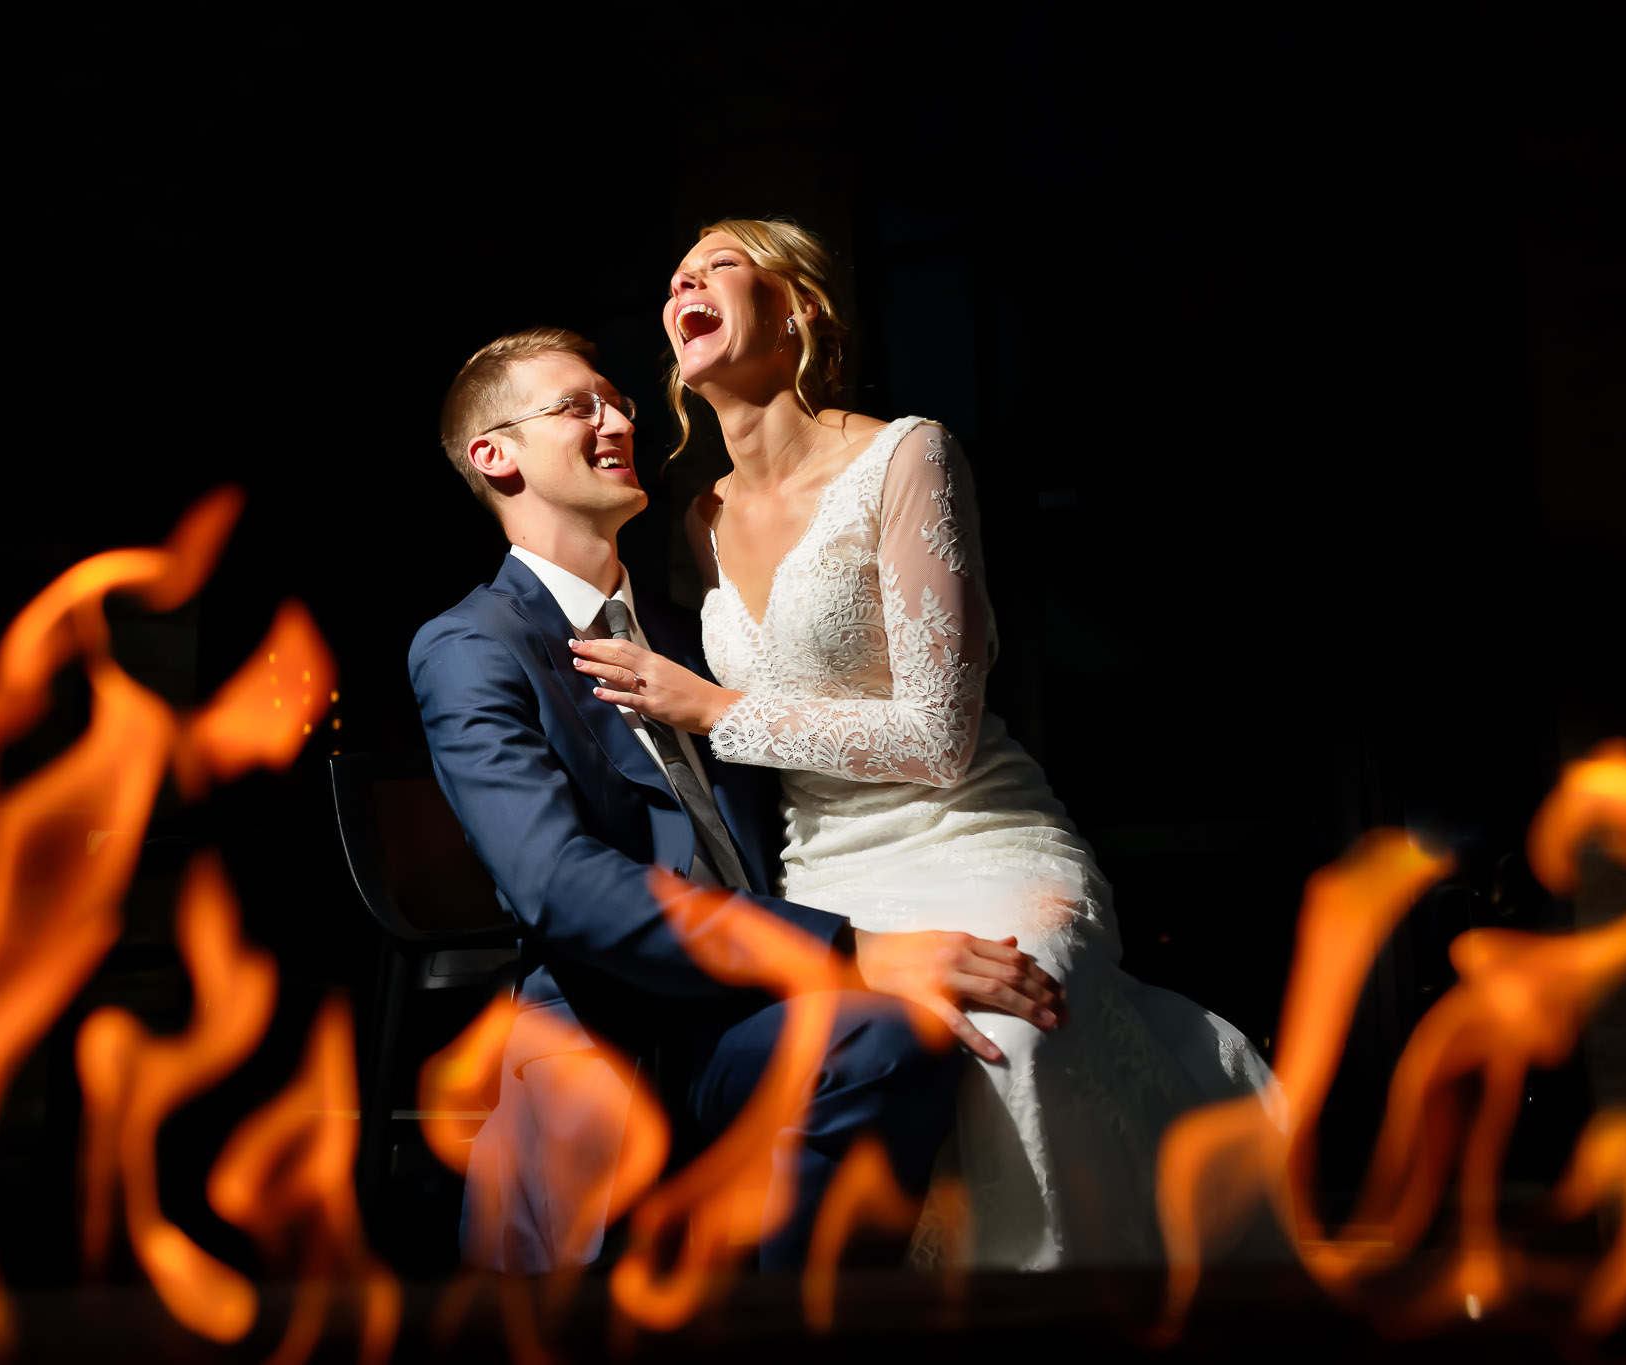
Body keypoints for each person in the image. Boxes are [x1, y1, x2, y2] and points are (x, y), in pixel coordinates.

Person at [566, 221, 1278, 1268]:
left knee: (1009, 1031)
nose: (686, 282)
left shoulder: (908, 455)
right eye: (676, 276)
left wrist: (716, 710)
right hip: (828, 872)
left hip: (974, 833)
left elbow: (939, 739)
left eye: (721, 264)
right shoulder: (700, 518)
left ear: (798, 309)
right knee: (889, 1050)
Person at [411, 326, 1068, 1274]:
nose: (618, 420)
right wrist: (847, 949)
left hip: (754, 1009)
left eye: (618, 402)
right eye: (577, 406)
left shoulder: (697, 638)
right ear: (494, 455)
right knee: (890, 1025)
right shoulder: (471, 644)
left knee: (911, 1033)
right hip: (615, 1026)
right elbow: (557, 883)